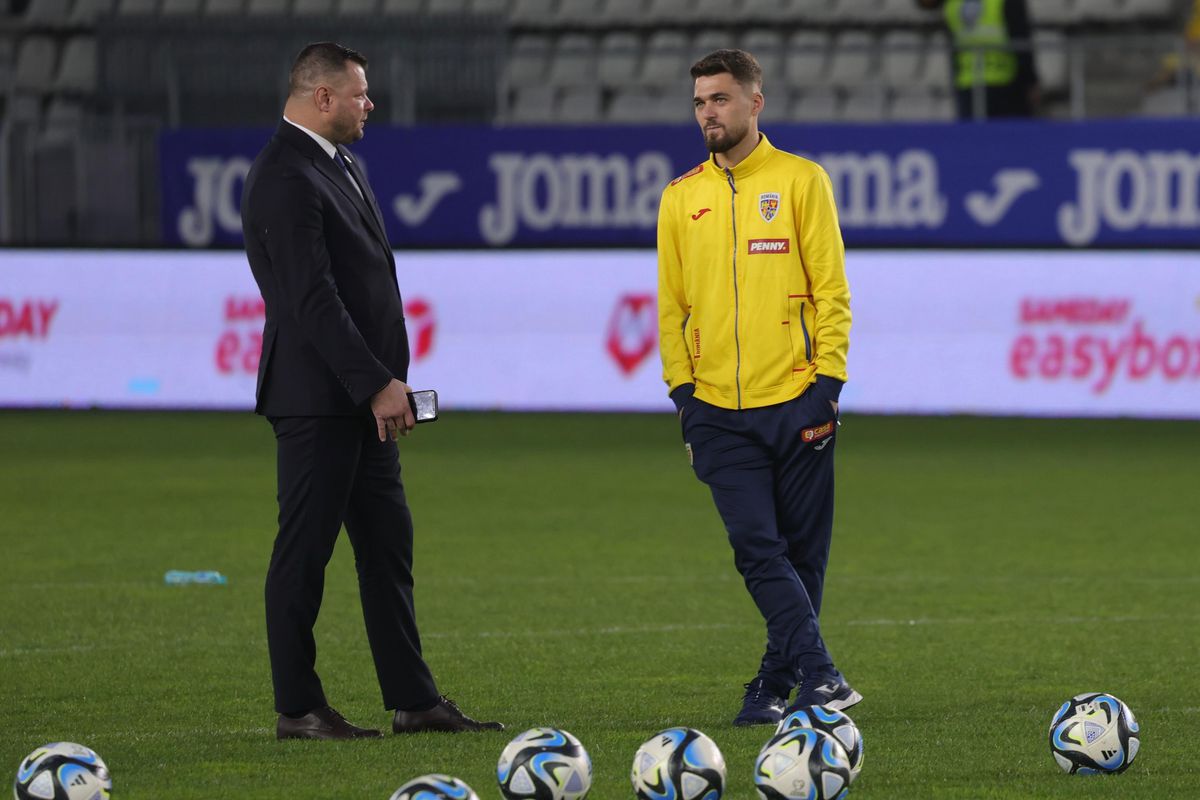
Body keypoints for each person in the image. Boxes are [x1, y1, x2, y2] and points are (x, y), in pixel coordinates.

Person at [241, 42, 503, 740]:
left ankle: (413, 701)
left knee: (388, 547)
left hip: (364, 402)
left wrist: (384, 386)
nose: (370, 104)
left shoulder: (338, 165)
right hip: (321, 400)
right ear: (321, 97)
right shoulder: (284, 176)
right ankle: (298, 707)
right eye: (360, 93)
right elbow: (311, 300)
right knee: (304, 553)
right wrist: (375, 383)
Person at [657, 49, 859, 728]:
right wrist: (684, 398)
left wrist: (826, 387)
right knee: (757, 550)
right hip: (716, 410)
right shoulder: (681, 197)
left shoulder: (802, 182)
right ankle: (822, 675)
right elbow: (671, 309)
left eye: (720, 99)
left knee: (802, 557)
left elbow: (831, 293)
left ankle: (775, 682)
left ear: (754, 103)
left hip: (797, 400)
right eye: (699, 102)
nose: (708, 113)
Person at [918, 0, 1040, 119]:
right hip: (1007, 83)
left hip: (968, 82)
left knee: (973, 137)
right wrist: (1031, 81)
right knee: (1010, 136)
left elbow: (926, 4)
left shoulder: (953, 3)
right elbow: (1021, 42)